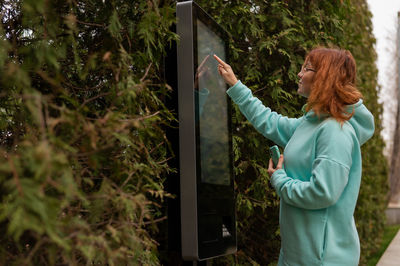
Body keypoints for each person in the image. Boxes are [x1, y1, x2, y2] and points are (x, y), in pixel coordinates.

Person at [213, 47, 374, 266]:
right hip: (297, 255)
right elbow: (269, 121)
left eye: (306, 68)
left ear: (324, 77)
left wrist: (279, 180)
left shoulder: (335, 131)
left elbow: (322, 193)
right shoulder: (310, 124)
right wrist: (235, 85)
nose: (298, 74)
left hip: (322, 260)